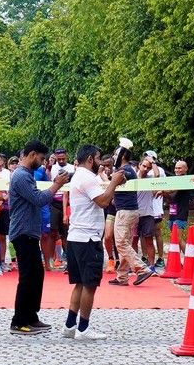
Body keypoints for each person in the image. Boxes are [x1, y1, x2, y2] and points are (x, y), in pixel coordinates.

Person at [55, 143, 117, 340]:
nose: (101, 163)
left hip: (76, 237)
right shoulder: (87, 178)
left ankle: (70, 325)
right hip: (88, 238)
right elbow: (103, 202)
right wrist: (114, 182)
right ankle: (83, 328)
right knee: (89, 285)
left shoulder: (79, 176)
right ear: (90, 159)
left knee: (80, 284)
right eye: (98, 158)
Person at [7, 141, 54, 334]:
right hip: (22, 233)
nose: (42, 163)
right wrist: (57, 185)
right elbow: (39, 199)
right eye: (41, 158)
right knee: (27, 277)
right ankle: (18, 321)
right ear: (32, 154)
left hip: (29, 233)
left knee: (36, 275)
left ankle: (31, 317)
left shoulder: (27, 174)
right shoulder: (21, 176)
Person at [109, 144, 148, 285]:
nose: (114, 157)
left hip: (125, 212)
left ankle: (142, 269)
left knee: (120, 244)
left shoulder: (124, 170)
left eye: (116, 154)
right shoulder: (128, 169)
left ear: (123, 156)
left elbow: (122, 177)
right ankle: (122, 277)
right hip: (131, 211)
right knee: (125, 244)